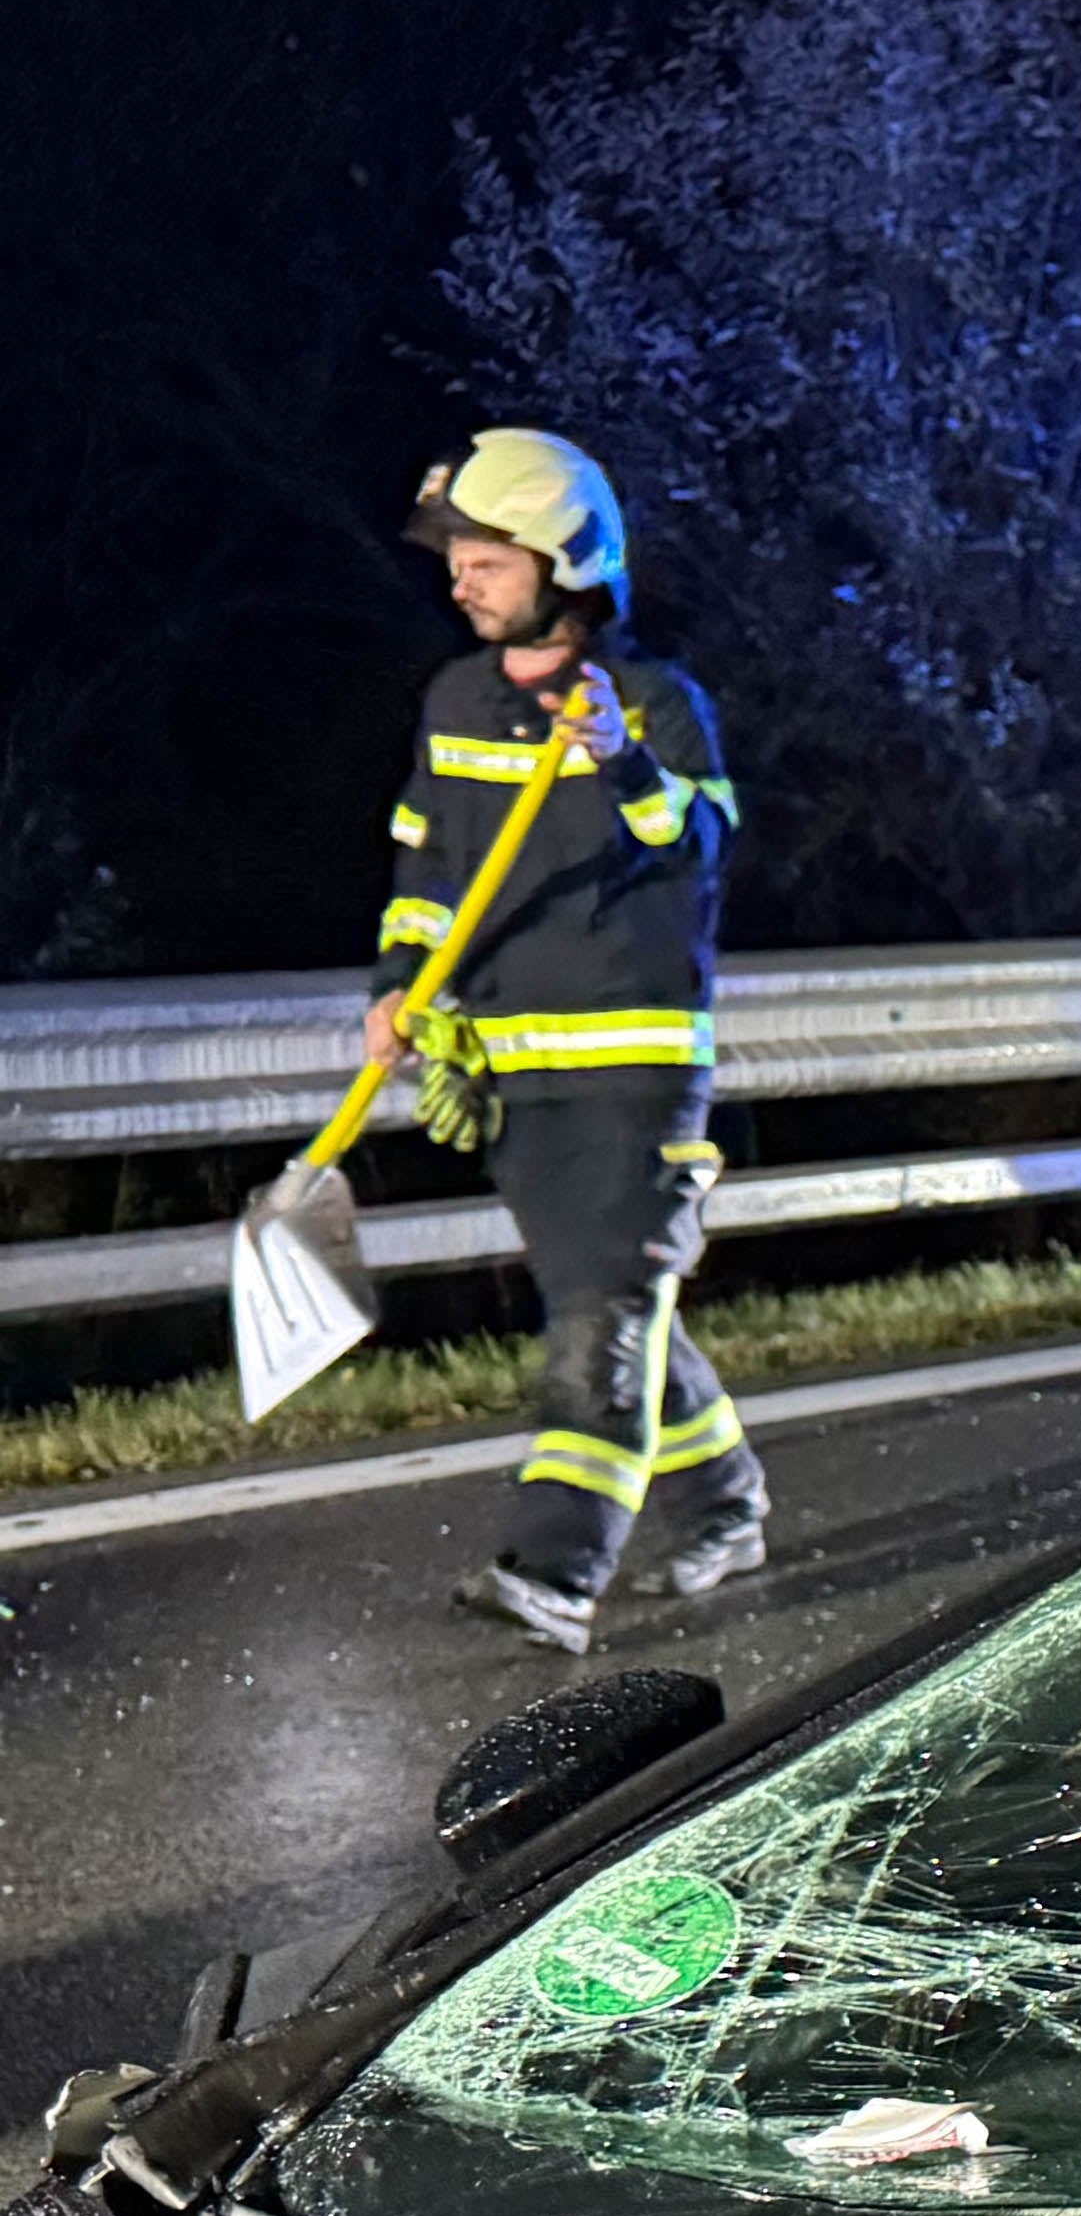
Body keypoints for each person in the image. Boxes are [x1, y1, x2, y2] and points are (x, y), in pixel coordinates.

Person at [363, 430, 764, 1653]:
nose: (462, 582)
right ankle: (726, 1504)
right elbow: (426, 865)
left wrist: (622, 761)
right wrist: (400, 986)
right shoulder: (455, 703)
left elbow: (700, 846)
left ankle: (556, 1566)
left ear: (567, 563)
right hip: (512, 1073)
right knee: (622, 1307)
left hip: (634, 1075)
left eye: (487, 560)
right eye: (457, 561)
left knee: (600, 1317)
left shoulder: (654, 704)